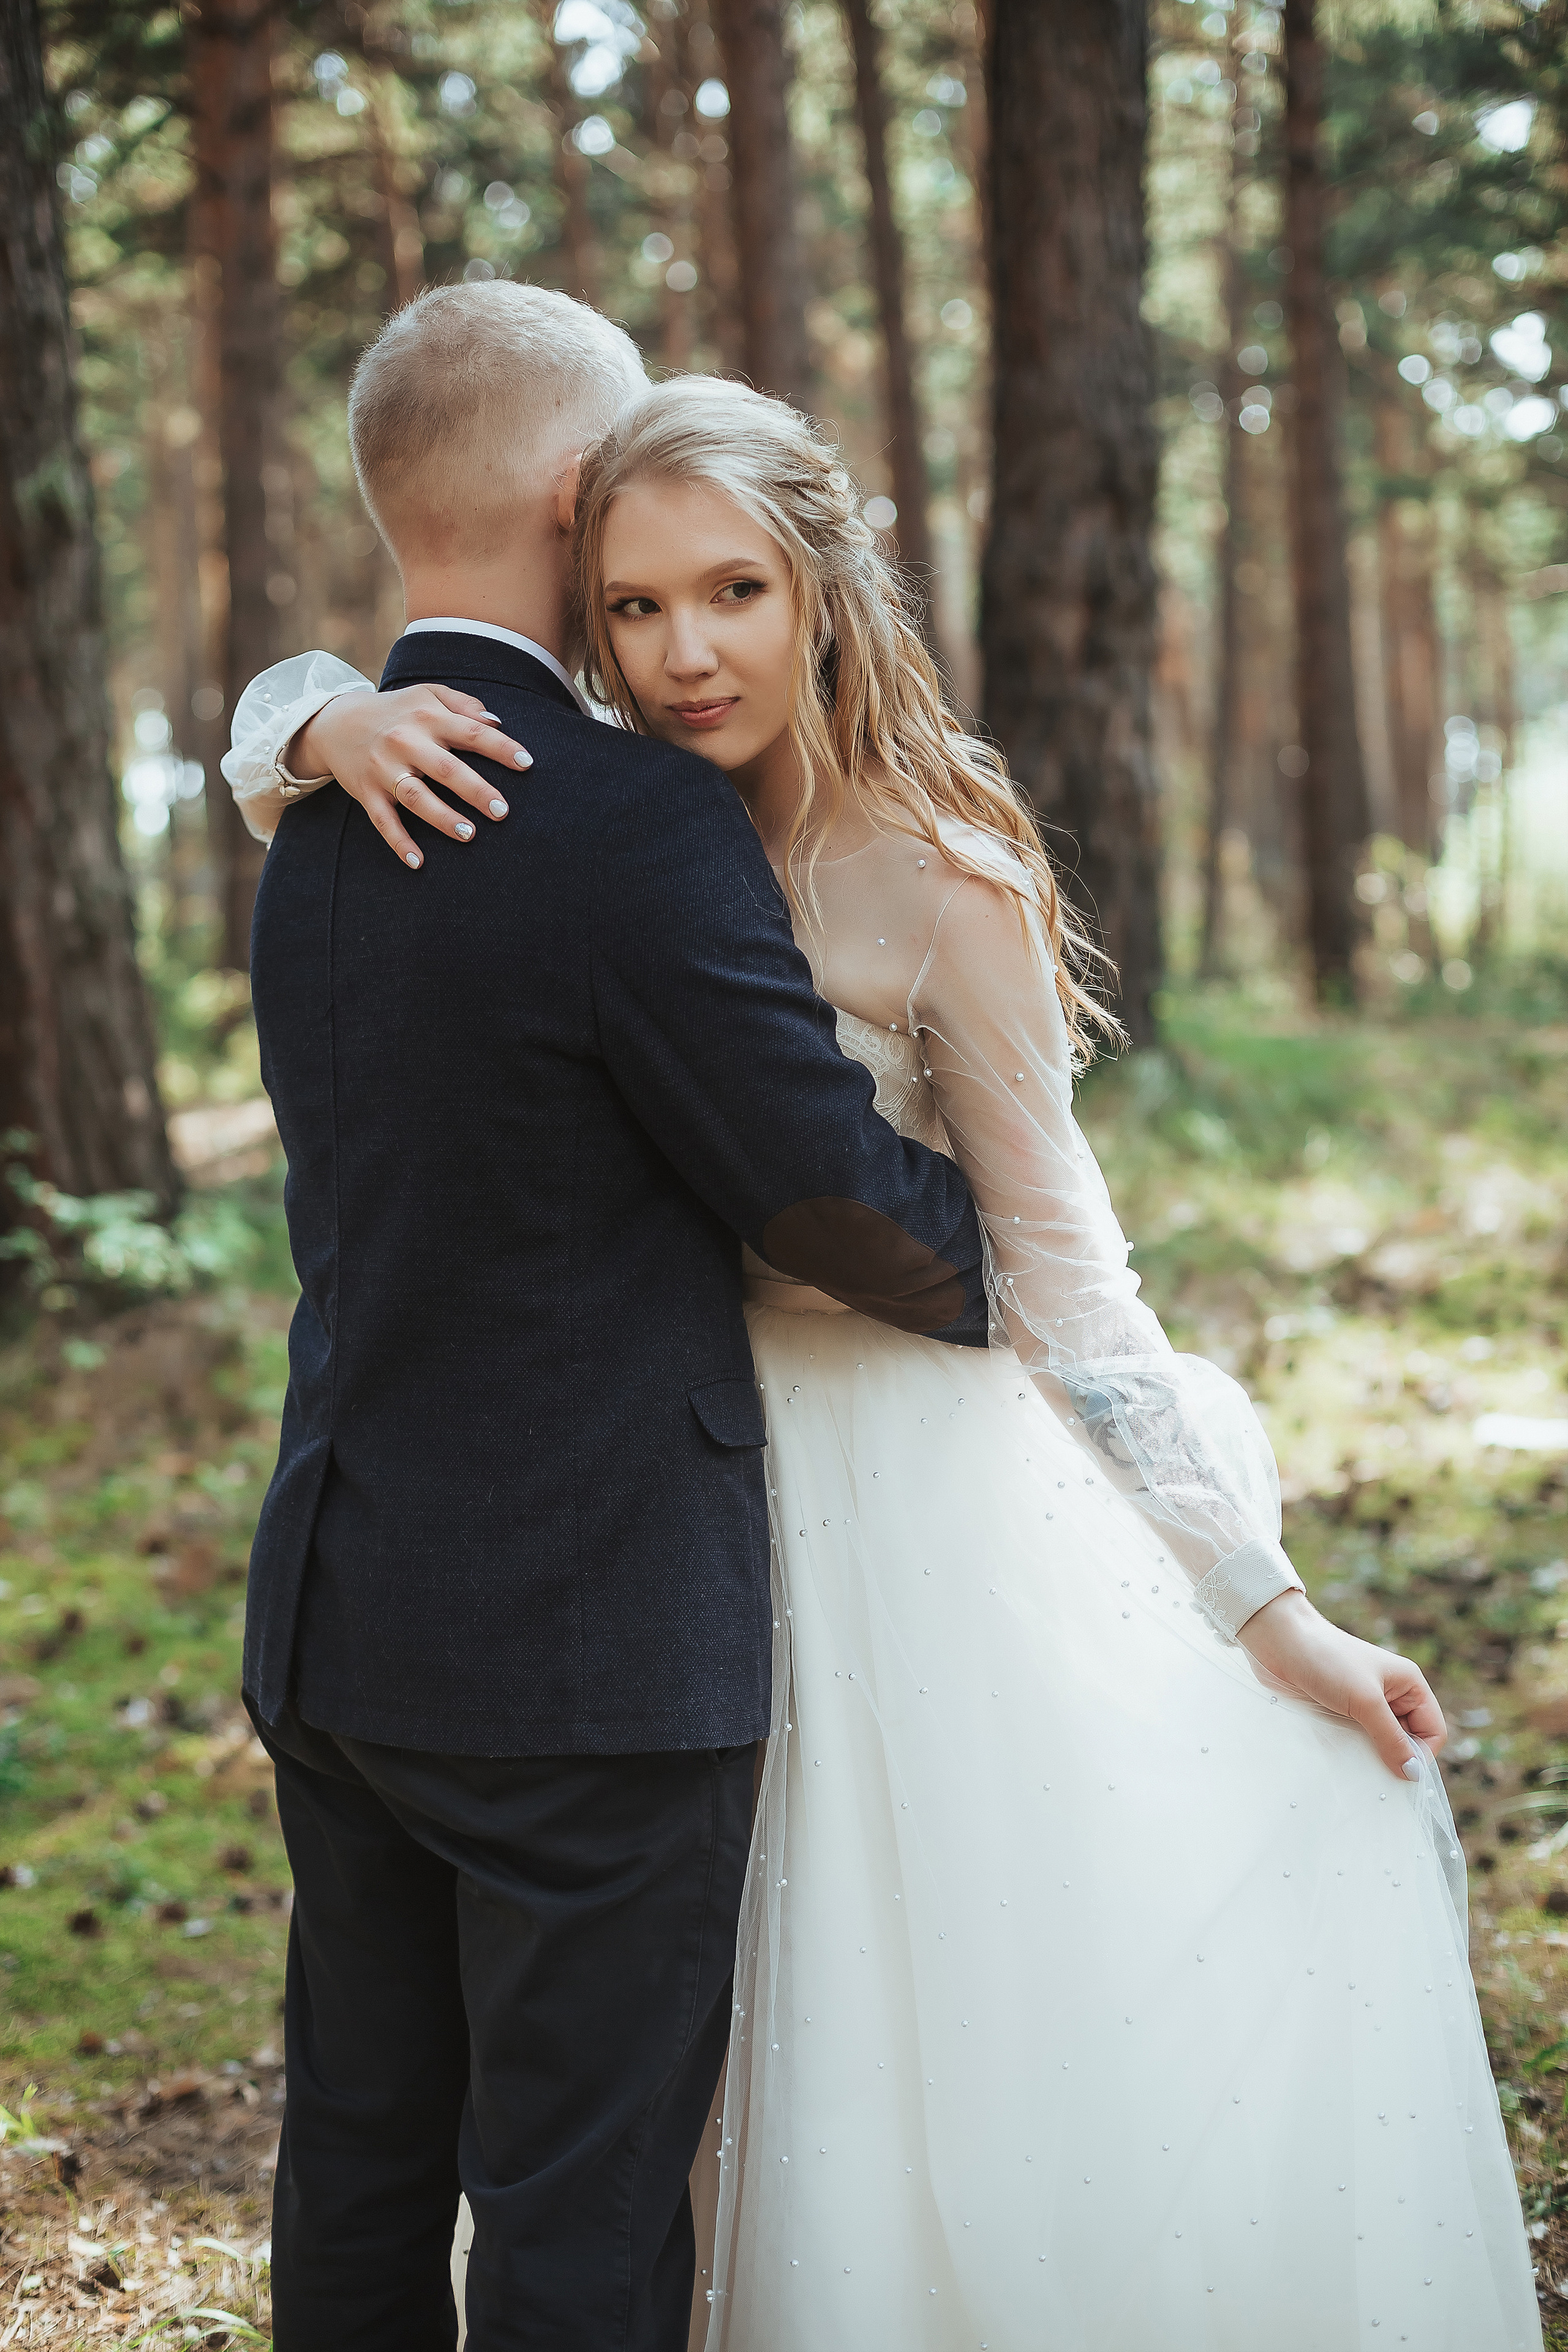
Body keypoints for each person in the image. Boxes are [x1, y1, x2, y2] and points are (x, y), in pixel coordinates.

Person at [230, 368, 1541, 2350]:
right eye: (640, 607)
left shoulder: (940, 875)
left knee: (901, 2048)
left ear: (825, 588)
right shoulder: (556, 802)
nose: (685, 655)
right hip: (660, 1520)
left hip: (894, 1512)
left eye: (735, 594)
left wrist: (1265, 1608)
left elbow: (1062, 1267)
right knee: (678, 2096)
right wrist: (308, 711)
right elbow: (317, 770)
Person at [234, 284, 997, 2352]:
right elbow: (824, 1194)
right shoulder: (625, 822)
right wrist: (1002, 1264)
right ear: (584, 507)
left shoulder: (307, 818)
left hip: (343, 1615)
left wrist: (300, 703)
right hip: (579, 1656)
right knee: (577, 2221)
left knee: (367, 2178)